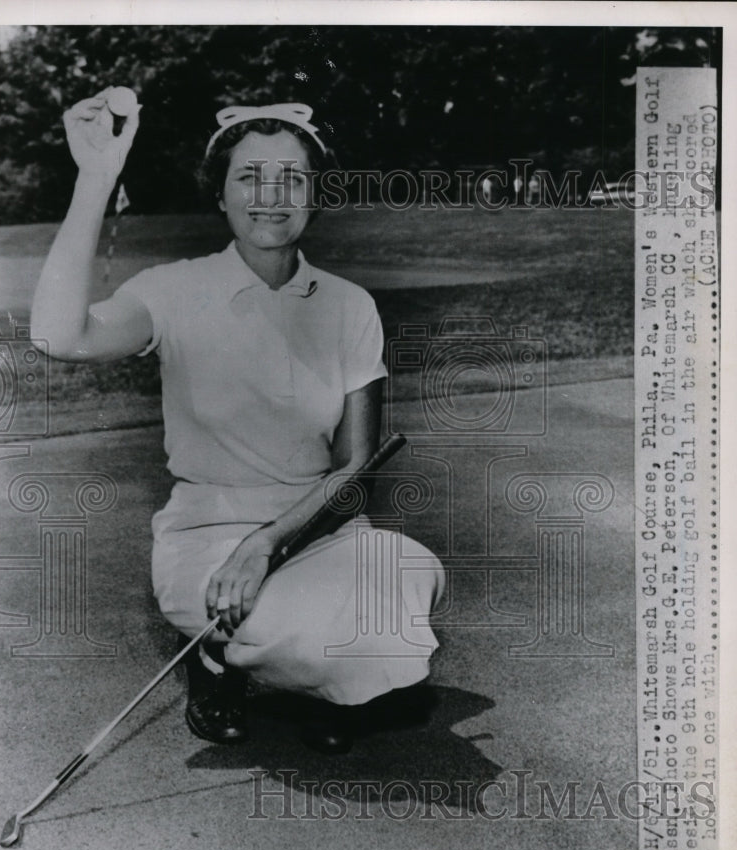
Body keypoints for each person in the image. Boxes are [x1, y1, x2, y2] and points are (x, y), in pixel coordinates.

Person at [32, 90, 445, 754]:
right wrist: (97, 177)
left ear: (315, 193)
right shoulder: (171, 289)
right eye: (249, 176)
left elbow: (354, 473)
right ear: (220, 195)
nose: (271, 195)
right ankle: (221, 658)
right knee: (322, 634)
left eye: (292, 177)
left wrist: (266, 546)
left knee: (409, 568)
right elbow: (58, 337)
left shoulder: (349, 305)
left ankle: (309, 671)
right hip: (208, 540)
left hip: (318, 527)